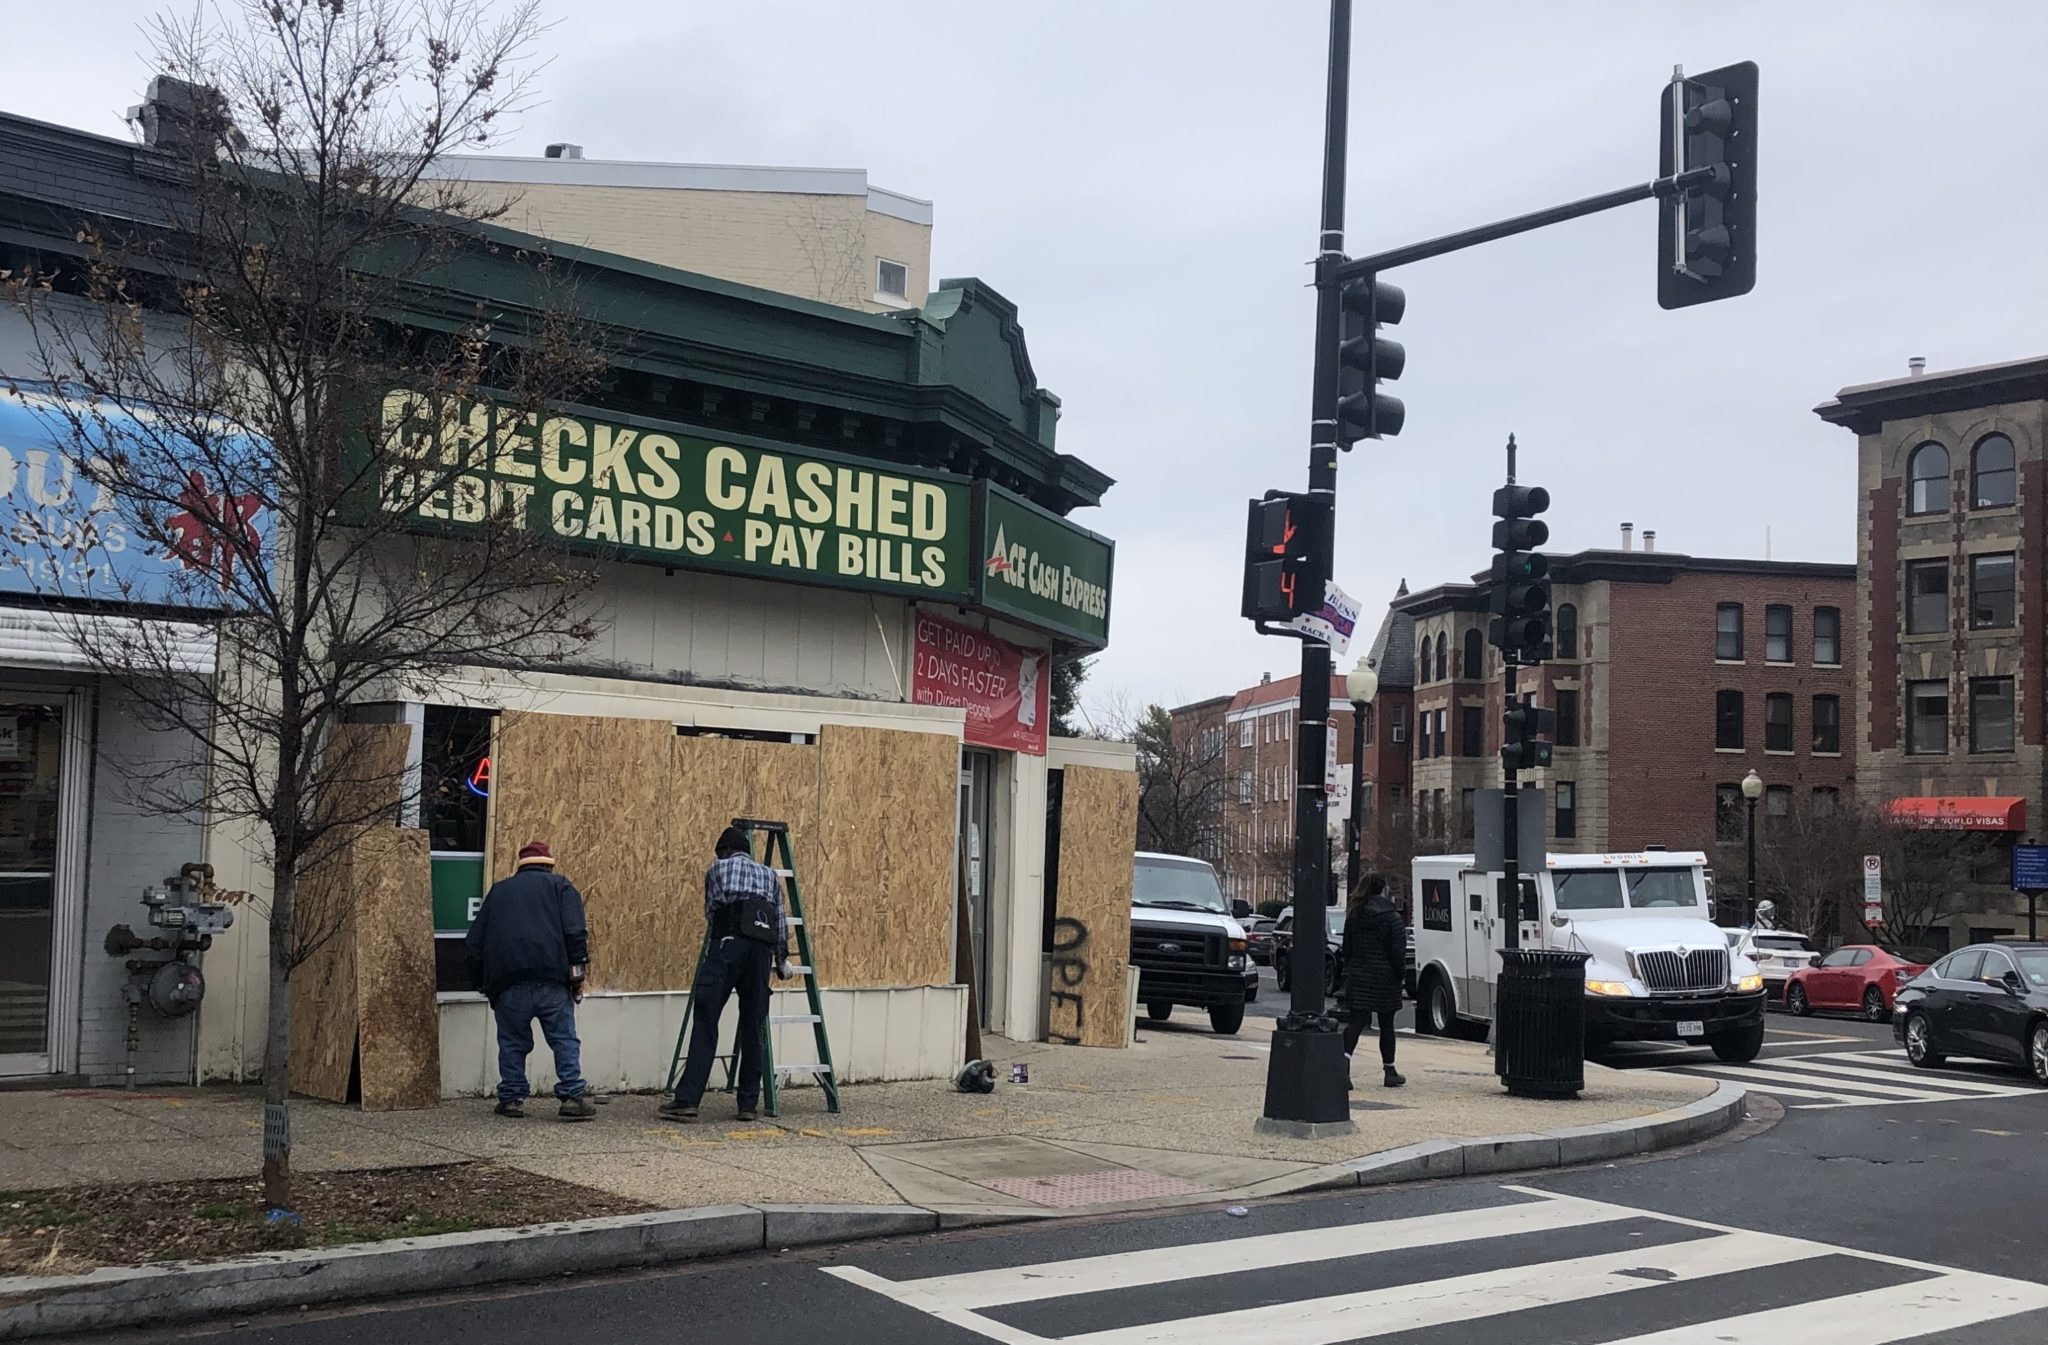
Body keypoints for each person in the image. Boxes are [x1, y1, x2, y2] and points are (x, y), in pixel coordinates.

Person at [662, 826, 793, 1123]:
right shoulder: (770, 875)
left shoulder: (717, 869)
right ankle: (748, 1104)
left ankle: (688, 1100)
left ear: (725, 851)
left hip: (727, 946)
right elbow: (779, 921)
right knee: (753, 1024)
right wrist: (781, 959)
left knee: (707, 1019)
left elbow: (712, 913)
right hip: (760, 953)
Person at [465, 840, 597, 1120]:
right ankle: (572, 1097)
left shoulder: (499, 892)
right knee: (563, 1039)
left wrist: (483, 983)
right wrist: (577, 976)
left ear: (520, 866)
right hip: (552, 981)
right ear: (549, 864)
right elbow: (575, 933)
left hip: (508, 985)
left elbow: (474, 943)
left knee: (512, 1042)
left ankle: (512, 1099)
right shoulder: (561, 887)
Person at [1341, 873, 1407, 1088]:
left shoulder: (1354, 915)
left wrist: (1351, 968)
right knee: (1387, 1025)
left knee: (1356, 1023)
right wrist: (1400, 974)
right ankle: (1390, 1070)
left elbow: (1347, 948)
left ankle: (1342, 1068)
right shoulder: (1392, 917)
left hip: (1360, 976)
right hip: (1386, 978)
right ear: (1383, 889)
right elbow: (1397, 951)